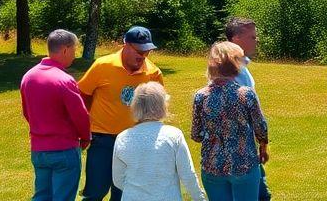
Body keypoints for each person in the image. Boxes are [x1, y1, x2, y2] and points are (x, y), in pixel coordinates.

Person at [78, 26, 165, 201]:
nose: (142, 55)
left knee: (125, 194)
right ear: (125, 45)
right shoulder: (103, 65)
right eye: (138, 49)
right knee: (95, 192)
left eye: (147, 51)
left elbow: (156, 109)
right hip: (102, 139)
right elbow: (83, 94)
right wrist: (85, 126)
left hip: (135, 141)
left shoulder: (153, 73)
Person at [192, 41, 269, 201]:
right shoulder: (246, 94)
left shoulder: (201, 96)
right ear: (236, 66)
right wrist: (263, 146)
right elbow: (261, 127)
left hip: (212, 165)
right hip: (244, 163)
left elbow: (196, 135)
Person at [22, 29, 93, 201]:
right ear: (65, 50)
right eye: (74, 50)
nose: (74, 56)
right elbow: (80, 114)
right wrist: (85, 137)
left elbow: (27, 112)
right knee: (63, 196)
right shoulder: (64, 79)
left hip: (38, 148)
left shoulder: (28, 76)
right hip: (63, 148)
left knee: (41, 196)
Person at [111, 82, 205, 201]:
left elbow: (118, 179)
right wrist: (200, 198)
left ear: (135, 107)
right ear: (162, 106)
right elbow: (187, 174)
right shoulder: (174, 135)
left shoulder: (122, 137)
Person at [224, 17, 269, 201]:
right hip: (241, 150)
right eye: (252, 37)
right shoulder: (231, 70)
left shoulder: (241, 65)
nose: (256, 40)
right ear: (235, 39)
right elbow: (249, 111)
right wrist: (262, 142)